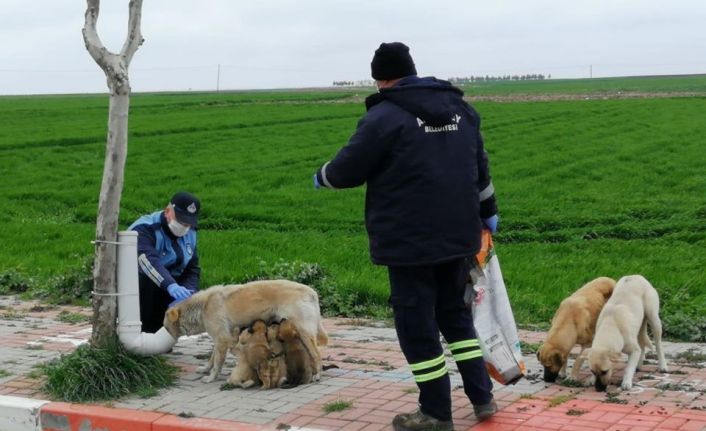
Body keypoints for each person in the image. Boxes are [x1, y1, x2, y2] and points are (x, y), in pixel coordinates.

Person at [313, 42, 499, 430]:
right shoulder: (461, 110)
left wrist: (323, 176)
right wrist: (489, 213)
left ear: (381, 80)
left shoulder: (384, 117)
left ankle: (435, 413)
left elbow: (347, 170)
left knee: (418, 330)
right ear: (413, 71)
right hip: (459, 237)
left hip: (410, 244)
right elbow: (481, 171)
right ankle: (483, 398)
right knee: (456, 318)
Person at [129, 192, 201, 333]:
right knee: (147, 281)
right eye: (180, 221)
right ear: (167, 211)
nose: (184, 227)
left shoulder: (191, 233)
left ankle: (165, 333)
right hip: (140, 283)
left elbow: (192, 268)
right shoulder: (145, 228)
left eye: (188, 223)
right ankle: (144, 332)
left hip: (168, 282)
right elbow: (148, 262)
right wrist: (171, 285)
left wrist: (190, 291)